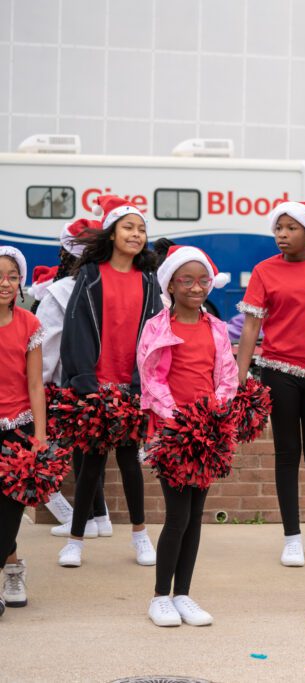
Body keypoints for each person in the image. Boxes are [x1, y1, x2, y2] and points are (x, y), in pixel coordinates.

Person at [235, 201, 305, 567]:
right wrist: (240, 375)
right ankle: (292, 538)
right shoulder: (264, 270)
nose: (282, 234)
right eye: (278, 228)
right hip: (278, 372)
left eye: (290, 228)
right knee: (287, 453)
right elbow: (251, 326)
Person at [57, 196, 163, 569]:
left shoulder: (149, 280)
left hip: (132, 387)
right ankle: (76, 540)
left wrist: (141, 385)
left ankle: (140, 535)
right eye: (128, 227)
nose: (136, 234)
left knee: (130, 463)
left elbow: (154, 337)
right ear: (112, 234)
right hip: (95, 387)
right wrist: (85, 383)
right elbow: (76, 329)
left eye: (141, 229)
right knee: (90, 463)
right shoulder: (90, 275)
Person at [139, 246, 236, 627]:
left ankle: (183, 594)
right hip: (173, 434)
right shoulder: (156, 328)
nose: (197, 288)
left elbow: (226, 376)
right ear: (171, 285)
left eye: (203, 280)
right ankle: (160, 596)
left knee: (196, 515)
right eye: (187, 280)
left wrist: (214, 414)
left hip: (207, 433)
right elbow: (151, 380)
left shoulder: (216, 327)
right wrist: (180, 420)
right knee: (177, 515)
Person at [36, 219, 111, 538]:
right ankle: (98, 516)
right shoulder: (111, 284)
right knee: (91, 452)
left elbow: (46, 346)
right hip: (107, 384)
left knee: (61, 453)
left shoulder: (59, 292)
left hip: (68, 384)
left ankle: (82, 519)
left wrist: (40, 388)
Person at [0, 246, 46, 615]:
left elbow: (35, 386)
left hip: (18, 430)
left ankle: (10, 569)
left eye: (12, 276)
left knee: (11, 508)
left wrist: (40, 436)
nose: (5, 283)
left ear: (21, 282)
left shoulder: (29, 324)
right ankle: (12, 566)